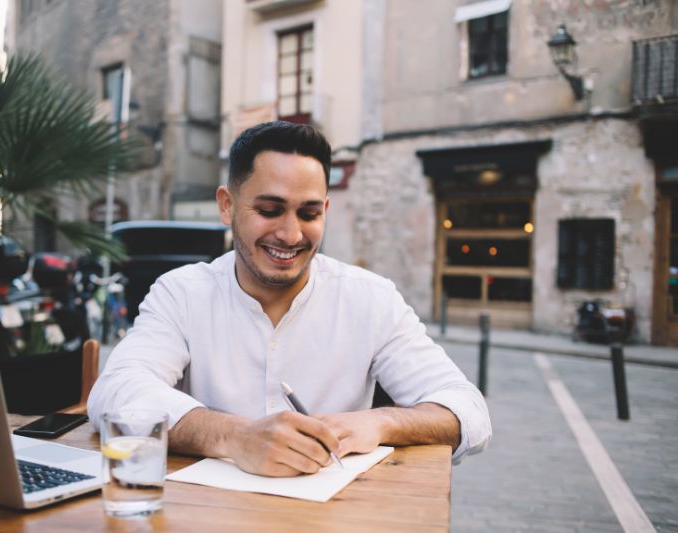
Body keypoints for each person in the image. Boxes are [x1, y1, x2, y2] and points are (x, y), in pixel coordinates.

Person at [88, 121, 491, 477]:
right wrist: (235, 436)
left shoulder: (371, 299)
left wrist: (382, 421)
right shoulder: (181, 293)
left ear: (326, 211)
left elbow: (469, 412)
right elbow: (117, 391)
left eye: (310, 214)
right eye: (269, 209)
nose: (291, 234)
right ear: (227, 206)